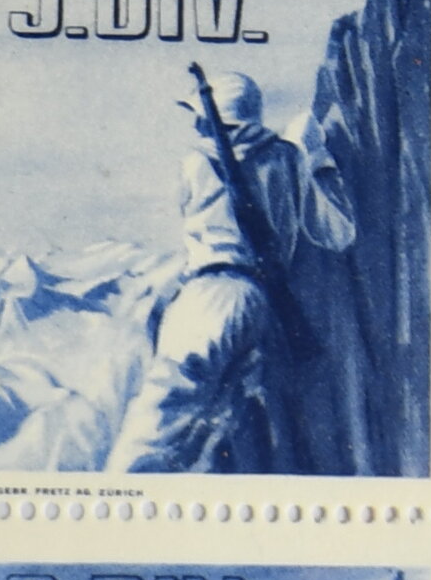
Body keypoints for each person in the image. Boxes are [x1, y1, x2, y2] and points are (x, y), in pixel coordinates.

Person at [108, 65, 359, 474]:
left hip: (210, 297)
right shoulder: (290, 157)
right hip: (261, 305)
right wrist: (317, 159)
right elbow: (339, 233)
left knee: (155, 422)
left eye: (200, 116)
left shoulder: (196, 161)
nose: (196, 124)